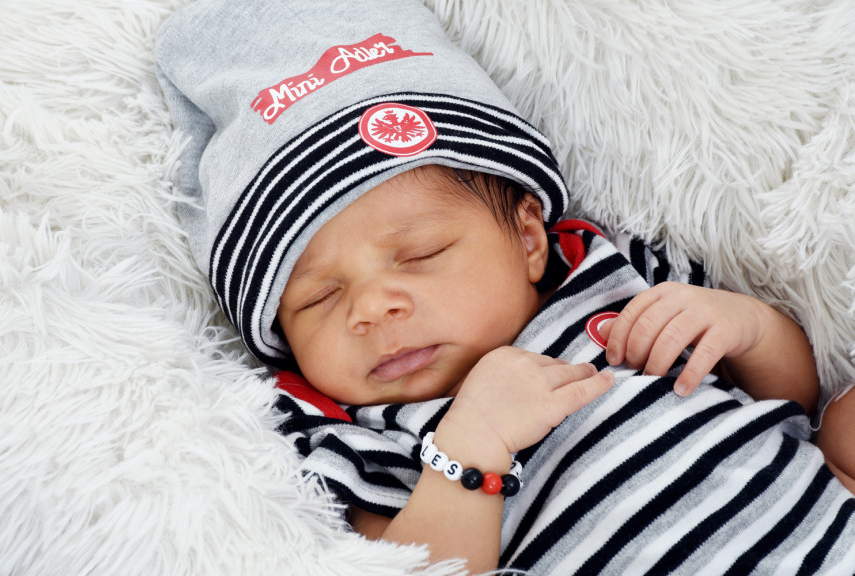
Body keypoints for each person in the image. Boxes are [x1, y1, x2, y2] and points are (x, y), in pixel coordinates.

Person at [154, 0, 855, 574]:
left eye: (421, 253)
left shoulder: (608, 281)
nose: (370, 307)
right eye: (317, 298)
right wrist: (469, 450)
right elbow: (409, 566)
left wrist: (747, 329)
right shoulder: (355, 433)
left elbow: (790, 400)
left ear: (527, 239)